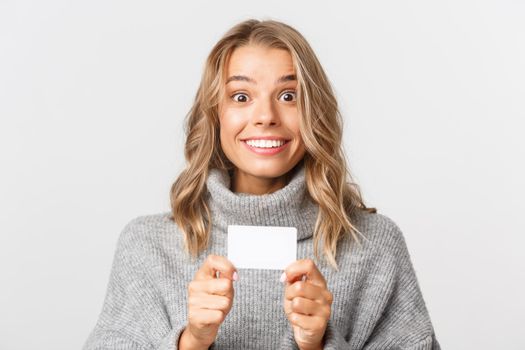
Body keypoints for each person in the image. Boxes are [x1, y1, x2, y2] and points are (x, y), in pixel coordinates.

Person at [83, 19, 440, 350]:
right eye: (241, 97)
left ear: (314, 112)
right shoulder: (148, 247)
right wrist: (191, 341)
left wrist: (318, 343)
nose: (266, 116)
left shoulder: (373, 245)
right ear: (214, 114)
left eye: (289, 96)